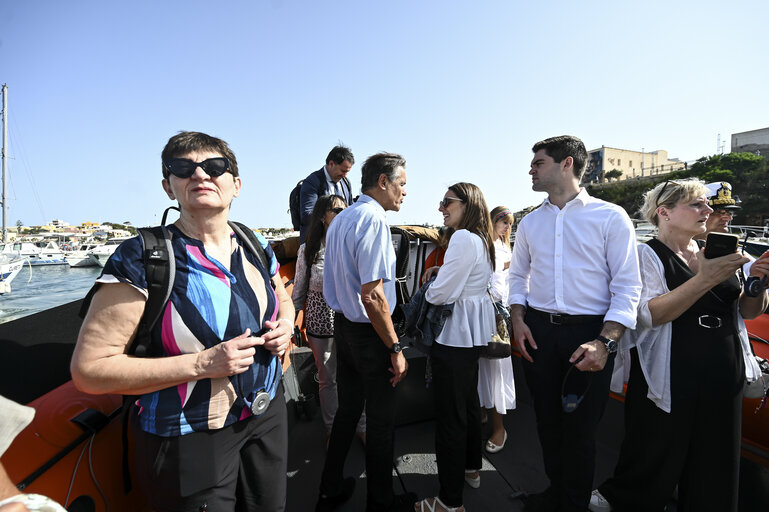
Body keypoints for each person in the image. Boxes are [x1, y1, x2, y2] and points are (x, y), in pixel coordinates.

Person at [70, 131, 294, 511]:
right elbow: (90, 370)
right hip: (188, 433)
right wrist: (202, 364)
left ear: (235, 185)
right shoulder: (142, 258)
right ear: (168, 186)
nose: (200, 175)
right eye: (183, 168)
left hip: (265, 413)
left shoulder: (254, 243)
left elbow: (284, 301)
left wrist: (286, 325)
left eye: (214, 166)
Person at [590, 179, 769, 512]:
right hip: (671, 369)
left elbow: (744, 310)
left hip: (722, 365)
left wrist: (758, 285)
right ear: (665, 213)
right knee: (655, 445)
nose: (708, 210)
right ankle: (628, 498)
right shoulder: (646, 254)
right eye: (697, 205)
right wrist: (705, 278)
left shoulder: (718, 251)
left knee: (716, 455)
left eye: (707, 205)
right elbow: (649, 316)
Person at [508, 135, 642, 512]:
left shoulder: (611, 216)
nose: (531, 169)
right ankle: (557, 492)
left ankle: (573, 503)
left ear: (567, 164)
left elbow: (628, 286)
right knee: (547, 423)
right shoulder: (530, 223)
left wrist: (605, 342)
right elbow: (518, 277)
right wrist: (518, 319)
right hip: (538, 330)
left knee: (581, 430)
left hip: (590, 334)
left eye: (539, 162)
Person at [316, 152, 415, 512]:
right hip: (369, 335)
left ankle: (328, 488)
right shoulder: (374, 221)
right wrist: (395, 347)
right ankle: (381, 502)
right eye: (402, 183)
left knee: (347, 411)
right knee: (381, 421)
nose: (405, 192)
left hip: (343, 328)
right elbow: (373, 296)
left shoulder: (342, 219)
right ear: (384, 182)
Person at [415, 183, 497, 512]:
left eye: (446, 202)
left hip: (454, 336)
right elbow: (468, 279)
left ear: (466, 204)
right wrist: (442, 271)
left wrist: (433, 281)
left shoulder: (462, 238)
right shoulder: (481, 239)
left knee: (450, 417)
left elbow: (440, 295)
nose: (441, 208)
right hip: (472, 336)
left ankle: (450, 502)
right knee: (467, 402)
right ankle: (471, 468)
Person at [292, 194, 366, 439]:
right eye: (336, 210)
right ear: (323, 216)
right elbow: (299, 290)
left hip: (349, 320)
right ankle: (332, 431)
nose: (343, 213)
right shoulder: (308, 250)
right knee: (328, 379)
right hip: (319, 321)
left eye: (346, 209)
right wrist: (290, 322)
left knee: (356, 375)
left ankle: (362, 427)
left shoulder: (353, 244)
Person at [479, 206, 517, 454]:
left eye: (509, 224)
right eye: (503, 223)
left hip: (497, 315)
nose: (506, 228)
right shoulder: (483, 245)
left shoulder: (502, 248)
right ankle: (482, 410)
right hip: (481, 312)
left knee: (497, 369)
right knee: (481, 366)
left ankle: (499, 427)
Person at [299, 145, 355, 243]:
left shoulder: (346, 183)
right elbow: (307, 214)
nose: (345, 175)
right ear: (331, 163)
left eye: (347, 172)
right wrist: (331, 216)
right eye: (343, 171)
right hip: (316, 244)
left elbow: (350, 208)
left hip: (340, 242)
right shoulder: (312, 181)